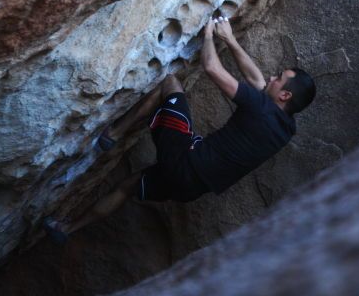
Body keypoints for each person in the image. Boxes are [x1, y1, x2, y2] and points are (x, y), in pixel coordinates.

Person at [43, 17, 316, 241]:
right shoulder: (285, 129)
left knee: (170, 83)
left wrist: (209, 33)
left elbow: (211, 67)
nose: (272, 77)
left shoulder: (260, 108)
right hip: (191, 188)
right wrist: (230, 39)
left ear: (285, 96)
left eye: (279, 79)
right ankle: (65, 229)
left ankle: (112, 134)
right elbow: (257, 81)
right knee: (128, 186)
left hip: (185, 161)